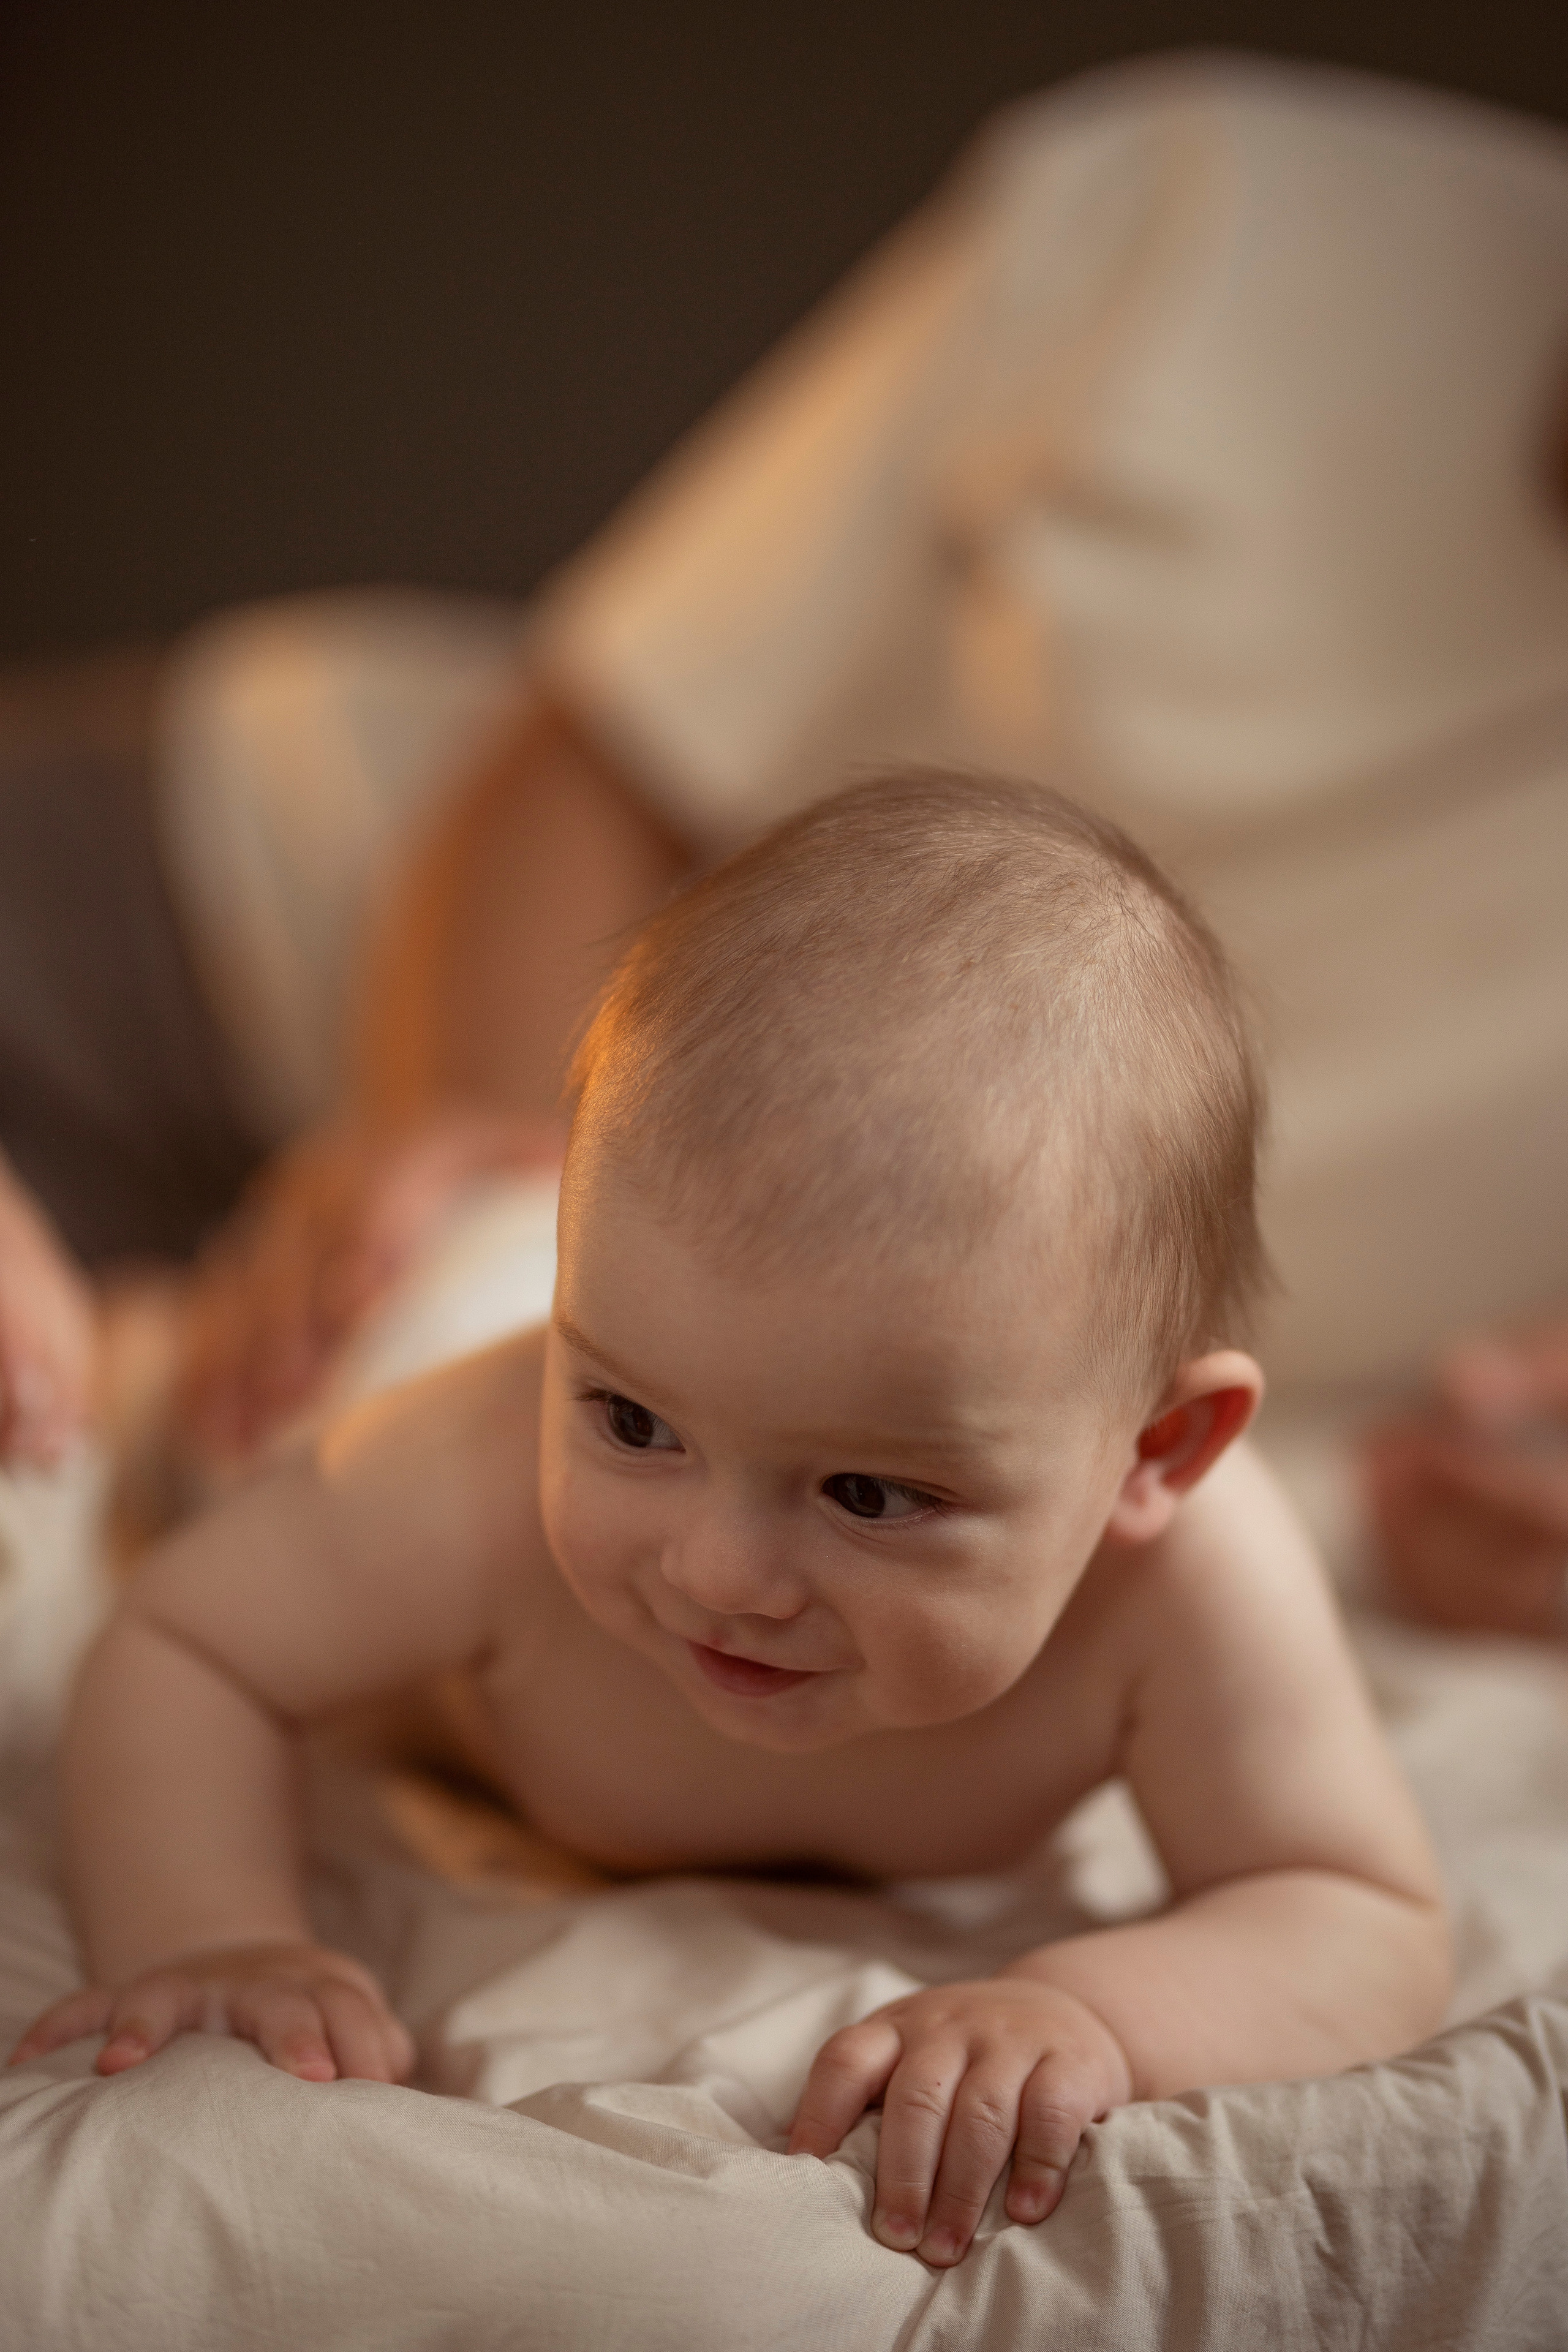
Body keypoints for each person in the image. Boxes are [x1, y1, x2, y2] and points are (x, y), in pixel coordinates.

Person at [9, 775, 1449, 2267]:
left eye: (870, 1495)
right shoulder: (475, 1467)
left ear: (1157, 1451)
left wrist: (1093, 2013)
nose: (719, 1573)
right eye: (634, 1430)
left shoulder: (1188, 1585)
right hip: (412, 1324)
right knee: (175, 1401)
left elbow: (1349, 1908)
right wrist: (215, 1933)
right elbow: (188, 1645)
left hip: (648, 1315)